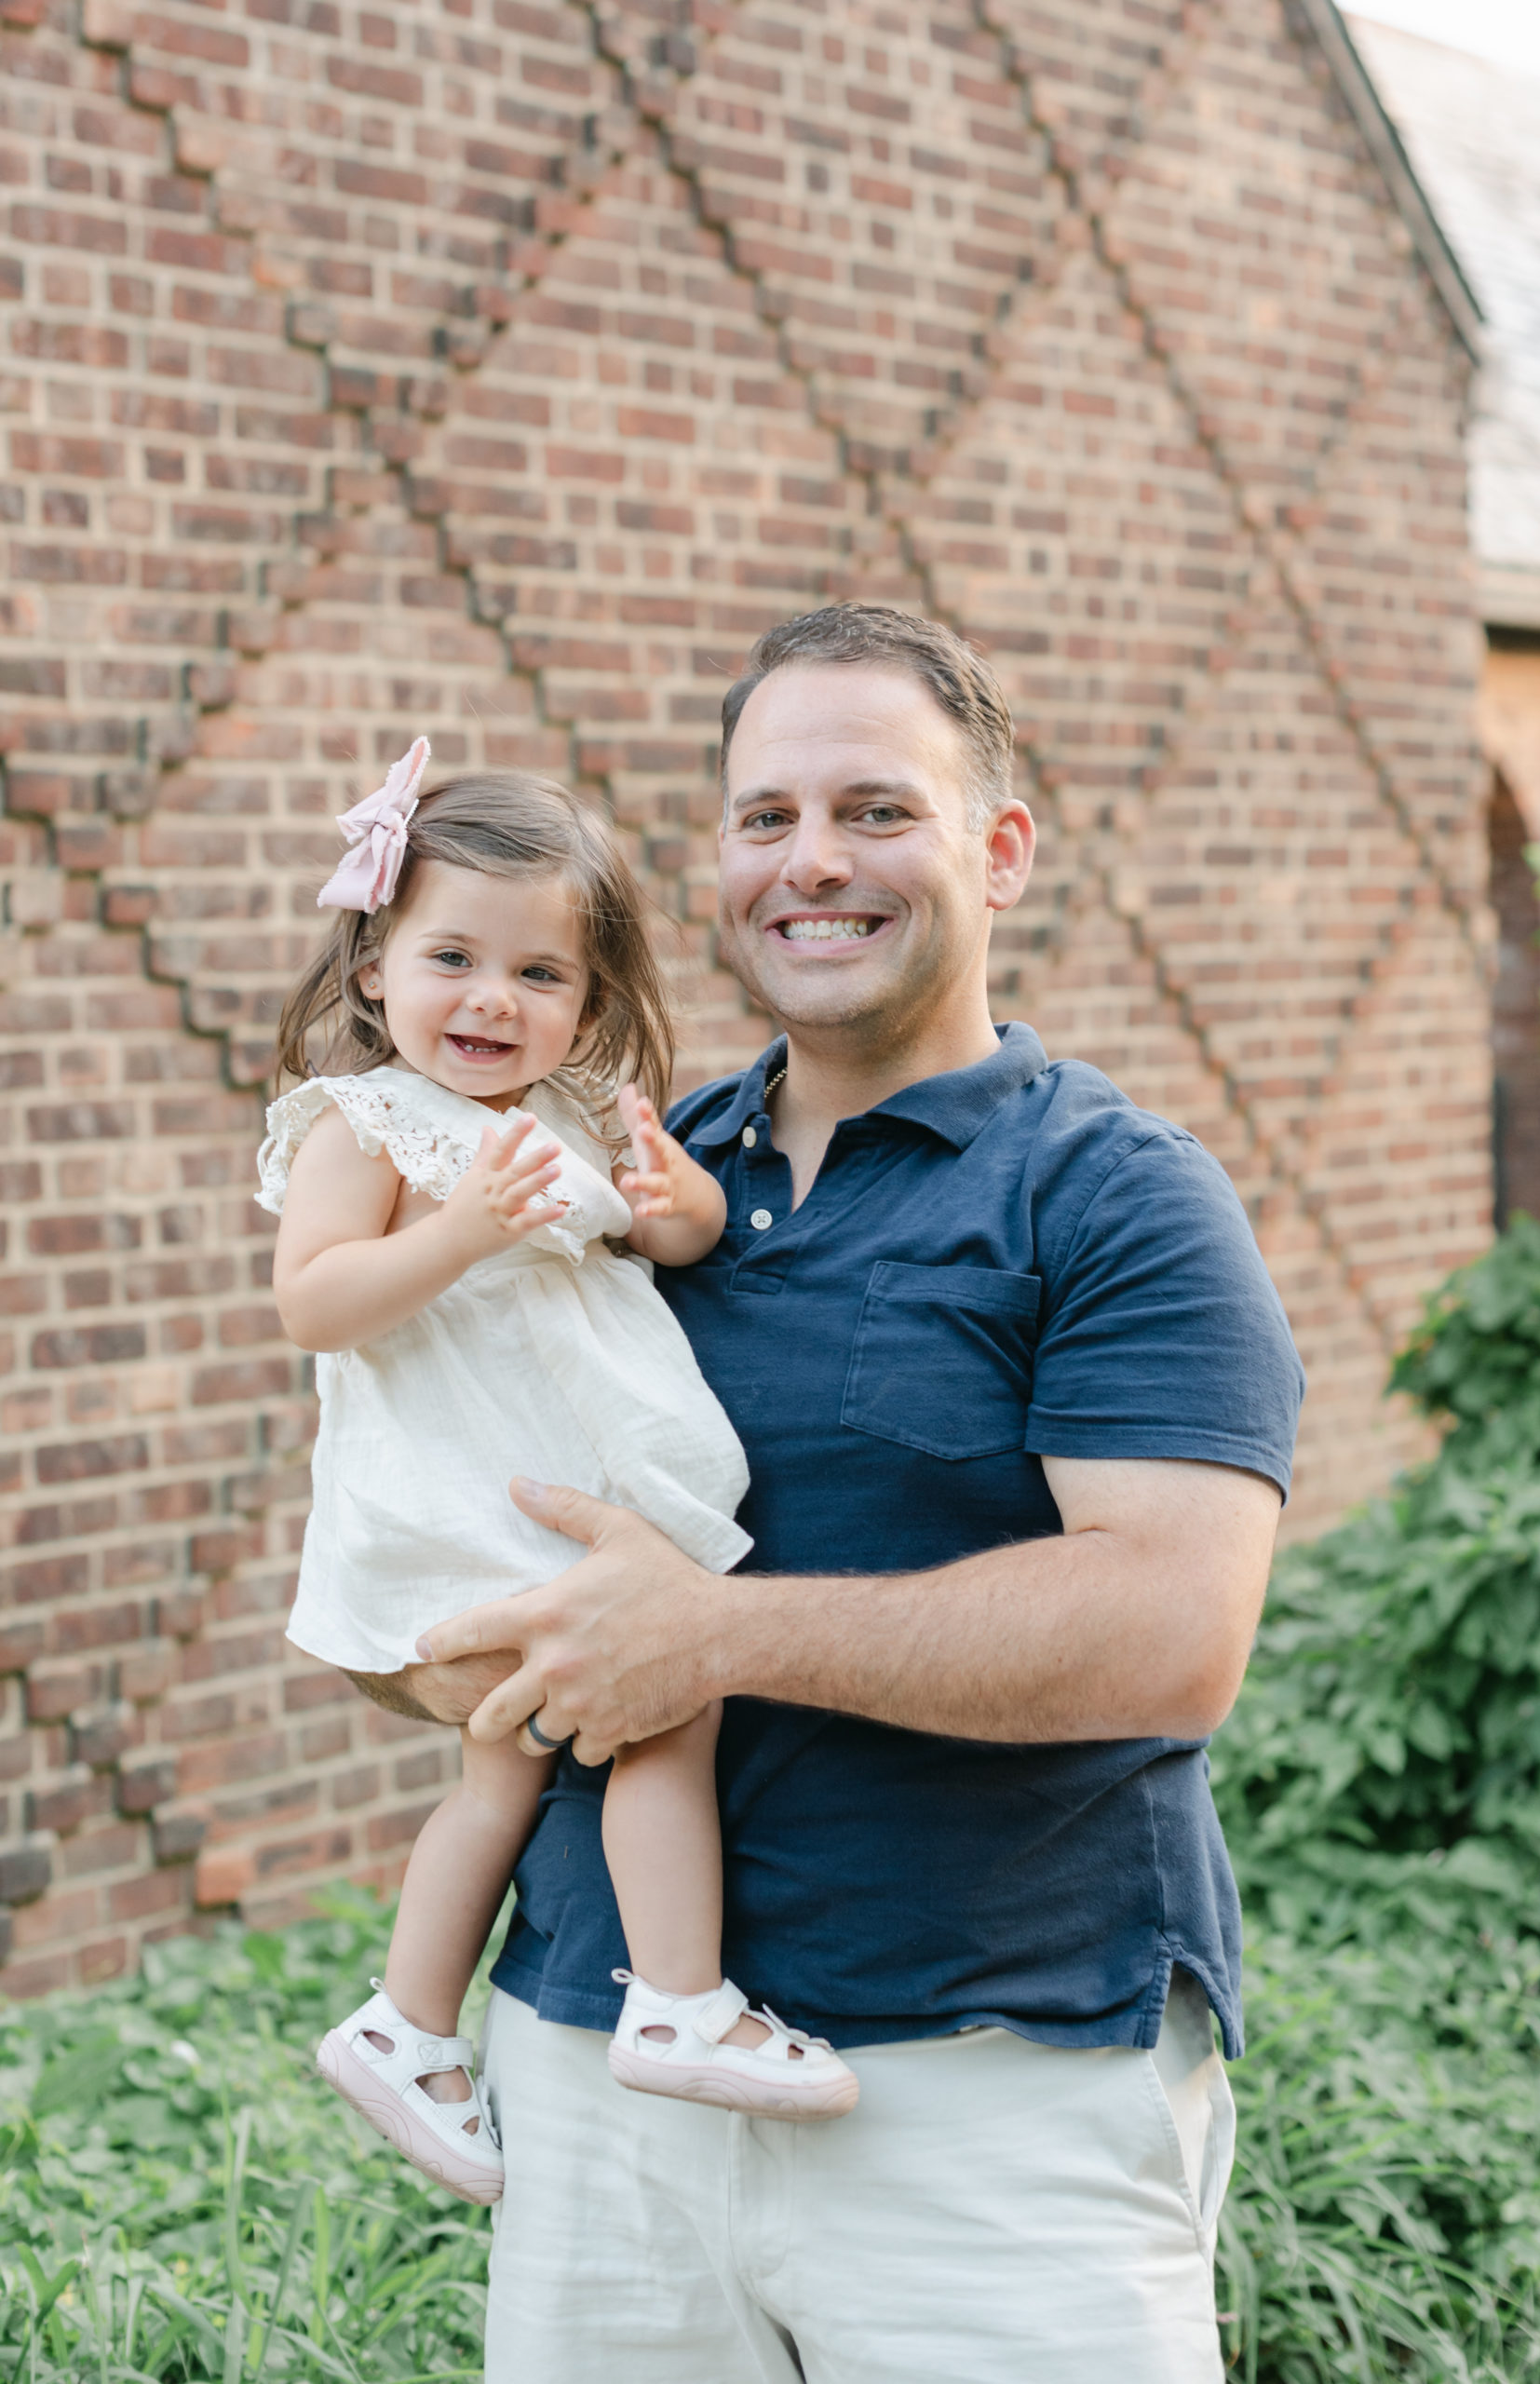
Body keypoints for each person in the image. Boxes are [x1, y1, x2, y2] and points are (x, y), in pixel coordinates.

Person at [402, 603, 1305, 2381]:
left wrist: (703, 1637)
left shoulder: (1113, 1197)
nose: (810, 861)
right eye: (764, 819)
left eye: (875, 810)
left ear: (1000, 849)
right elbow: (460, 1522)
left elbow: (1169, 1632)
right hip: (598, 2069)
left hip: (991, 2094)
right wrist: (444, 1654)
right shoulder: (614, 1179)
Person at [257, 744, 860, 2203]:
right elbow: (315, 1302)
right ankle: (676, 2000)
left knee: (518, 1768)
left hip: (560, 1494)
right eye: (451, 957)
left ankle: (409, 2024)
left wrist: (678, 1197)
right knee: (661, 1709)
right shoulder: (367, 1123)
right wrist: (455, 1230)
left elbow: (673, 1241)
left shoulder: (578, 1114)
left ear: (587, 1005)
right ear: (371, 968)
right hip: (472, 1496)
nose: (491, 1000)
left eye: (541, 976)